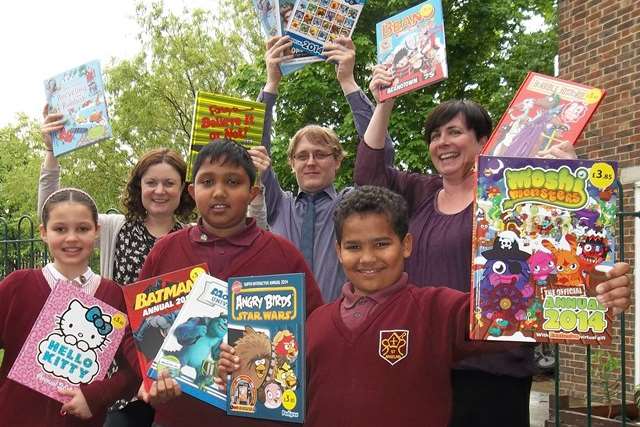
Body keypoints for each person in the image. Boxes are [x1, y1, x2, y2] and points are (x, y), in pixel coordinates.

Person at [356, 66, 631, 426]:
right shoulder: (419, 192)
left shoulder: (514, 198)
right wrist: (384, 104)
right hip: (426, 362)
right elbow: (368, 175)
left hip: (493, 368)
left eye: (455, 132)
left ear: (484, 141)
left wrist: (573, 181)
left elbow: (571, 253)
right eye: (435, 135)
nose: (442, 142)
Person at [222, 185, 631, 426]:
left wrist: (597, 295)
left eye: (381, 244)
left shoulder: (438, 309)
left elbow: (517, 316)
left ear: (406, 245)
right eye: (354, 247)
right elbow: (271, 386)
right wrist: (234, 363)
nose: (367, 258)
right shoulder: (314, 322)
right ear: (338, 251)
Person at [135, 139, 324, 427]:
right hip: (178, 417)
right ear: (192, 191)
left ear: (252, 192)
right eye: (207, 181)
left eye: (233, 182)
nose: (219, 192)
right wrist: (150, 378)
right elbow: (136, 330)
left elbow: (315, 333)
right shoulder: (165, 251)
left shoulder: (284, 255)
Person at [38, 108, 196, 425]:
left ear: (183, 189)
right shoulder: (113, 228)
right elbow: (52, 209)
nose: (160, 190)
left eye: (169, 182)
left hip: (175, 370)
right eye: (151, 182)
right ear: (139, 187)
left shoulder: (194, 239)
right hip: (119, 372)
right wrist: (50, 153)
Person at [252, 35, 393, 302]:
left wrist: (348, 81)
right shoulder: (279, 205)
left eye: (320, 154)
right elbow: (256, 149)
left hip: (340, 327)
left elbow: (378, 155)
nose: (311, 162)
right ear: (292, 164)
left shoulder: (352, 202)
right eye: (302, 156)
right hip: (284, 327)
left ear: (337, 161)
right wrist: (271, 83)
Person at [0, 188, 141, 426]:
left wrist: (95, 396)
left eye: (83, 229)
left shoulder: (112, 295)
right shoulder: (18, 285)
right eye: (60, 229)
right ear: (44, 232)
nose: (72, 238)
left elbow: (134, 369)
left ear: (97, 231)